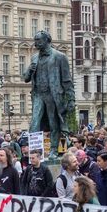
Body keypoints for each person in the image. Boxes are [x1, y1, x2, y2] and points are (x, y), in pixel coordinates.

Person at [22, 30, 75, 158]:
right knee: (34, 124)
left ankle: (53, 150)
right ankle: (35, 153)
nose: (36, 44)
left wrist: (71, 99)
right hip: (38, 94)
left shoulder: (59, 56)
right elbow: (26, 78)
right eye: (35, 41)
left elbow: (67, 80)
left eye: (38, 41)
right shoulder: (34, 57)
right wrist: (30, 69)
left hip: (53, 94)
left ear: (47, 40)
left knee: (53, 123)